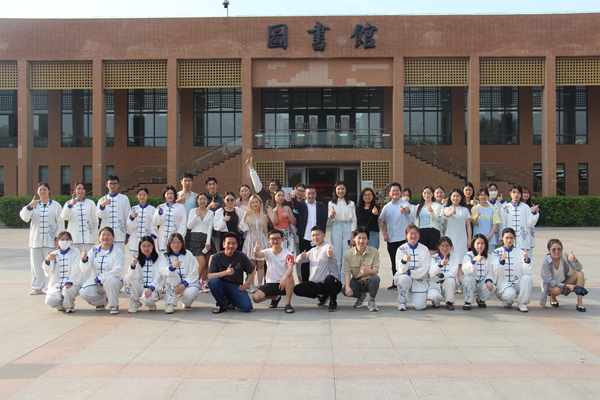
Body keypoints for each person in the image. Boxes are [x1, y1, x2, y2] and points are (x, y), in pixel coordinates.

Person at [20, 182, 65, 295]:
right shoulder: (33, 205)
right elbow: (24, 217)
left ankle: (50, 286)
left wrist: (59, 238)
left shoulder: (56, 206)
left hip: (51, 241)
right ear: (37, 192)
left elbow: (60, 222)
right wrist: (30, 206)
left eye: (45, 189)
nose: (43, 191)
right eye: (40, 190)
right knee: (36, 265)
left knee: (51, 264)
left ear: (49, 191)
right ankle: (37, 286)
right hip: (36, 240)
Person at [294, 226, 342, 312]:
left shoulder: (328, 247)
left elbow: (330, 253)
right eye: (313, 235)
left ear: (324, 235)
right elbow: (297, 260)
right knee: (297, 289)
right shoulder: (312, 250)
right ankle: (322, 296)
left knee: (329, 279)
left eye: (317, 235)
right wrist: (301, 256)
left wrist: (330, 254)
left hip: (333, 284)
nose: (315, 237)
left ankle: (333, 301)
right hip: (318, 285)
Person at [208, 232, 256, 314]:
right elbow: (210, 276)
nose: (231, 246)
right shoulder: (216, 257)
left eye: (233, 243)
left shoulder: (241, 256)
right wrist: (226, 272)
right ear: (223, 244)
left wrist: (246, 285)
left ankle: (229, 300)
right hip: (221, 284)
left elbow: (252, 271)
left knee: (247, 307)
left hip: (235, 286)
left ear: (237, 245)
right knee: (214, 282)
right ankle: (221, 304)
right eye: (228, 243)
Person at [79, 227, 124, 315]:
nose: (105, 237)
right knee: (84, 292)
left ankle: (113, 305)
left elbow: (117, 270)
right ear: (99, 237)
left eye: (108, 235)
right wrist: (84, 260)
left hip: (113, 279)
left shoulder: (117, 251)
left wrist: (101, 277)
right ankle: (102, 301)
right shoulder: (94, 250)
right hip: (95, 278)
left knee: (111, 281)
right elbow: (85, 268)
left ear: (113, 237)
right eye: (103, 235)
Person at [252, 229, 296, 313]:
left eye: (278, 238)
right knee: (256, 298)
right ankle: (275, 297)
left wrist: (284, 277)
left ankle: (288, 304)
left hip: (284, 283)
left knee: (290, 276)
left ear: (282, 239)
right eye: (273, 239)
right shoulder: (267, 252)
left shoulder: (288, 253)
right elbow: (259, 255)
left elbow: (290, 267)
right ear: (268, 240)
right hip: (270, 283)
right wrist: (255, 251)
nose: (275, 241)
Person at [155, 232, 200, 313]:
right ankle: (170, 304)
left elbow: (194, 272)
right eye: (173, 243)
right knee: (171, 276)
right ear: (169, 244)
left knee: (192, 293)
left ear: (182, 243)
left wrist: (184, 285)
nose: (176, 245)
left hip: (187, 283)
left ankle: (186, 302)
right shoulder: (164, 255)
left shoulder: (188, 254)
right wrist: (172, 267)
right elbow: (162, 269)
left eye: (179, 242)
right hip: (173, 283)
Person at [539, 239, 588, 312]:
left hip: (564, 282)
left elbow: (579, 268)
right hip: (552, 286)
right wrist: (567, 286)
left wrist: (575, 260)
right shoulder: (546, 261)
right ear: (549, 250)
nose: (557, 252)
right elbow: (549, 281)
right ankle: (553, 298)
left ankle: (579, 303)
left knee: (580, 274)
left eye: (559, 249)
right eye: (553, 250)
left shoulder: (564, 256)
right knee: (557, 290)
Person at [492, 227, 533, 312]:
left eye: (511, 238)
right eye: (506, 238)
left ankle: (522, 303)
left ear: (514, 238)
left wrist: (527, 261)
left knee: (527, 278)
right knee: (509, 295)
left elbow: (527, 271)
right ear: (502, 238)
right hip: (504, 283)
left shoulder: (520, 252)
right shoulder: (496, 252)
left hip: (517, 281)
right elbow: (494, 271)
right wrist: (502, 261)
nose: (509, 240)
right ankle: (507, 300)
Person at [379, 182, 412, 290]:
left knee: (405, 261)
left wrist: (404, 210)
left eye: (397, 190)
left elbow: (407, 208)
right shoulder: (386, 207)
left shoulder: (405, 203)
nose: (395, 192)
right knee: (394, 262)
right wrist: (384, 234)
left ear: (401, 192)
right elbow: (383, 222)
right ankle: (396, 281)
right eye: (393, 191)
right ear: (389, 193)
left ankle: (406, 281)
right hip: (391, 238)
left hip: (403, 239)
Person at [292, 185, 327, 282]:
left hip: (317, 238)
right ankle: (305, 282)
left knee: (318, 260)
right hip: (305, 237)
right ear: (305, 194)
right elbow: (295, 205)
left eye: (313, 193)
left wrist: (323, 233)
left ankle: (317, 282)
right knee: (304, 260)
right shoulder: (301, 205)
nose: (311, 196)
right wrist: (293, 197)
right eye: (308, 194)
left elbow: (324, 220)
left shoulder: (320, 205)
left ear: (316, 194)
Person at [342, 227, 381, 312]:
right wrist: (347, 286)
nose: (361, 241)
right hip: (357, 281)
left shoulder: (374, 252)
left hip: (368, 281)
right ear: (354, 238)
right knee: (344, 289)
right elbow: (347, 272)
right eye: (359, 238)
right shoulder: (348, 254)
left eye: (364, 238)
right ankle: (361, 296)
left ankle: (371, 300)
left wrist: (368, 271)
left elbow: (375, 270)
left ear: (368, 239)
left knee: (375, 278)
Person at [393, 224, 430, 311]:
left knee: (419, 306)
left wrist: (410, 273)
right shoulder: (401, 249)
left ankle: (413, 296)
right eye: (411, 233)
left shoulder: (424, 249)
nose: (413, 236)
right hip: (404, 278)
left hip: (419, 279)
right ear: (406, 236)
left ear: (419, 235)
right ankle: (402, 301)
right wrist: (404, 261)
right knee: (404, 278)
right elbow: (400, 270)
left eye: (416, 233)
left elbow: (425, 268)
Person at [42, 231, 82, 313]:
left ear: (71, 241)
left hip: (71, 283)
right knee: (50, 300)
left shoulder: (75, 252)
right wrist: (48, 261)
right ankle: (60, 304)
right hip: (56, 284)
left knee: (68, 290)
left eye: (67, 239)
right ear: (58, 241)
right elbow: (48, 272)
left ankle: (69, 306)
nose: (65, 241)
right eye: (62, 239)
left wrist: (70, 281)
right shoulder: (53, 254)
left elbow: (76, 267)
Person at [240, 195, 270, 290]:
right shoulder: (248, 215)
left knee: (261, 264)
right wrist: (245, 216)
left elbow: (265, 231)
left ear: (260, 203)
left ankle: (260, 284)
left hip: (261, 240)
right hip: (250, 240)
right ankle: (252, 284)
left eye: (256, 202)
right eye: (252, 202)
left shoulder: (264, 216)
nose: (255, 204)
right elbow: (241, 227)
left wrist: (268, 243)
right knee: (252, 265)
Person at [124, 236, 160, 313]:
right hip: (141, 287)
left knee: (148, 299)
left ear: (153, 246)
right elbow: (133, 276)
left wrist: (151, 288)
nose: (146, 248)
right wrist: (133, 265)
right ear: (140, 247)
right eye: (143, 246)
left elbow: (159, 277)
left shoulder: (159, 259)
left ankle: (151, 303)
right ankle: (134, 301)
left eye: (149, 246)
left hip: (153, 288)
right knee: (128, 277)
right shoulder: (136, 259)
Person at [187, 192, 214, 293]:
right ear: (197, 201)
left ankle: (202, 283)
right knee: (202, 263)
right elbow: (189, 226)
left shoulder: (210, 213)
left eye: (204, 199)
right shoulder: (193, 211)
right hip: (195, 237)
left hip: (206, 238)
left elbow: (210, 228)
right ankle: (195, 283)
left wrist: (208, 242)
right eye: (200, 199)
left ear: (207, 201)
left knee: (206, 263)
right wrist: (195, 216)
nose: (202, 201)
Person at [443, 188, 472, 283]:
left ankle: (460, 283)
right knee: (451, 260)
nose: (455, 198)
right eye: (454, 196)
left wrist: (469, 239)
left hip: (462, 238)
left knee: (460, 261)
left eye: (458, 196)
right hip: (450, 237)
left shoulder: (465, 210)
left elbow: (468, 226)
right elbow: (446, 214)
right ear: (450, 197)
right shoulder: (447, 208)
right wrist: (452, 212)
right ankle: (452, 283)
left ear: (461, 197)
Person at [96, 175, 130, 254]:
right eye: (111, 183)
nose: (113, 186)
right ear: (106, 185)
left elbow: (127, 217)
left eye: (115, 183)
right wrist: (103, 205)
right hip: (105, 236)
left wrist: (127, 234)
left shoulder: (124, 198)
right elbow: (98, 215)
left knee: (119, 256)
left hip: (119, 234)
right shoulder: (102, 200)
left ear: (118, 185)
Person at [500, 184, 539, 253]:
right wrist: (503, 239)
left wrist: (534, 214)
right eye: (514, 192)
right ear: (510, 193)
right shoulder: (505, 208)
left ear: (521, 194)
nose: (516, 195)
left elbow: (530, 224)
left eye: (518, 193)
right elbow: (503, 225)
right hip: (509, 241)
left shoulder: (526, 207)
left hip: (523, 241)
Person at [61, 182, 98, 255]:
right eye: (78, 189)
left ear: (85, 191)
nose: (81, 191)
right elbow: (64, 217)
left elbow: (94, 221)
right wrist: (70, 205)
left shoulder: (91, 203)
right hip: (74, 238)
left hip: (88, 238)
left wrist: (94, 235)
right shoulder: (68, 203)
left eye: (83, 189)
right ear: (75, 191)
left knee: (87, 258)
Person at [461, 234, 495, 310]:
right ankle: (468, 301)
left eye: (482, 243)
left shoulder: (489, 257)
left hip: (481, 281)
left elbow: (490, 272)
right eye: (478, 243)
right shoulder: (468, 255)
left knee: (491, 285)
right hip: (471, 282)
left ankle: (481, 299)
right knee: (468, 279)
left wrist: (489, 281)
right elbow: (465, 271)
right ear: (473, 244)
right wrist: (474, 260)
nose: (480, 246)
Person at [151, 185, 187, 252]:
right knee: (163, 255)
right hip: (162, 237)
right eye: (167, 194)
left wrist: (180, 236)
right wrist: (158, 214)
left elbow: (183, 223)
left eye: (171, 193)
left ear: (175, 195)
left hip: (175, 236)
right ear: (164, 195)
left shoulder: (181, 207)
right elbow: (155, 223)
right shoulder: (160, 207)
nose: (170, 195)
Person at [427, 236, 459, 310]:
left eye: (447, 246)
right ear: (438, 247)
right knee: (433, 296)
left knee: (450, 280)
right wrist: (440, 265)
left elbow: (453, 273)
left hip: (447, 283)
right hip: (435, 283)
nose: (445, 248)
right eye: (442, 246)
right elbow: (431, 272)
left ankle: (449, 302)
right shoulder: (433, 257)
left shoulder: (455, 257)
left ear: (451, 247)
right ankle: (436, 300)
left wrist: (441, 275)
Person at [410, 185, 442, 254]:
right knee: (422, 252)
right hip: (421, 231)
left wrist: (431, 211)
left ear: (432, 194)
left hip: (432, 231)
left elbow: (435, 218)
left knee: (432, 252)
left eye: (429, 193)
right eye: (425, 193)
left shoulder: (436, 205)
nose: (426, 195)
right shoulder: (417, 207)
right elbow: (413, 219)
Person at [126, 187, 156, 258]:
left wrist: (153, 236)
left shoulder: (152, 209)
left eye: (144, 195)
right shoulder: (133, 209)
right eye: (140, 195)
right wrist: (132, 218)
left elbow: (154, 224)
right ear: (137, 196)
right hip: (135, 240)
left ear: (147, 196)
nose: (142, 196)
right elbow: (128, 225)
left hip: (147, 238)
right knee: (134, 261)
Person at [267, 189, 297, 254]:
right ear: (274, 197)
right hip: (277, 235)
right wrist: (274, 212)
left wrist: (288, 215)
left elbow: (294, 222)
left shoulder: (287, 208)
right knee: (279, 254)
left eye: (282, 196)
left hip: (288, 234)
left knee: (289, 255)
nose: (281, 197)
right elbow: (275, 222)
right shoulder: (270, 209)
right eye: (279, 195)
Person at [177, 171, 197, 249]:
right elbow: (169, 206)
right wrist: (177, 201)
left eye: (189, 180)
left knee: (189, 248)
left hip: (190, 226)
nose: (187, 183)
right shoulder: (177, 195)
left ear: (192, 182)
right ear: (181, 181)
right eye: (185, 180)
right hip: (179, 225)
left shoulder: (195, 196)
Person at [205, 176, 224, 253]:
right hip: (206, 229)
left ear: (217, 185)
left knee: (218, 251)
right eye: (209, 184)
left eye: (213, 184)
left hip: (218, 231)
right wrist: (209, 207)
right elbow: (201, 213)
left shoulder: (222, 199)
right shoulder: (203, 199)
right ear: (206, 186)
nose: (212, 186)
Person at [521, 186, 539, 257]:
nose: (526, 195)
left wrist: (534, 213)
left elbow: (532, 223)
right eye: (524, 193)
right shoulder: (517, 206)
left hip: (529, 237)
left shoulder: (532, 206)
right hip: (519, 238)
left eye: (528, 193)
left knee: (528, 258)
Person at [486, 182, 505, 248]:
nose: (493, 191)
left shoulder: (500, 204)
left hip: (498, 231)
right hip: (488, 232)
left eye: (495, 189)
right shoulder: (485, 204)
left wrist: (503, 201)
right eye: (491, 190)